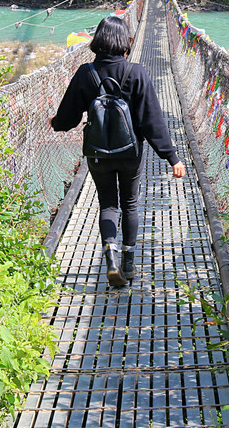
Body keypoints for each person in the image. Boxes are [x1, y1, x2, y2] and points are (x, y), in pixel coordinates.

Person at [50, 16, 186, 287]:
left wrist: (56, 123)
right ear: (124, 41)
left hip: (98, 152)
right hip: (130, 151)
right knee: (130, 203)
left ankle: (110, 255)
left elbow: (69, 116)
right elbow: (152, 121)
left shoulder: (85, 73)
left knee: (108, 204)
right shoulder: (136, 73)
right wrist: (172, 157)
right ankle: (128, 262)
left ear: (98, 40)